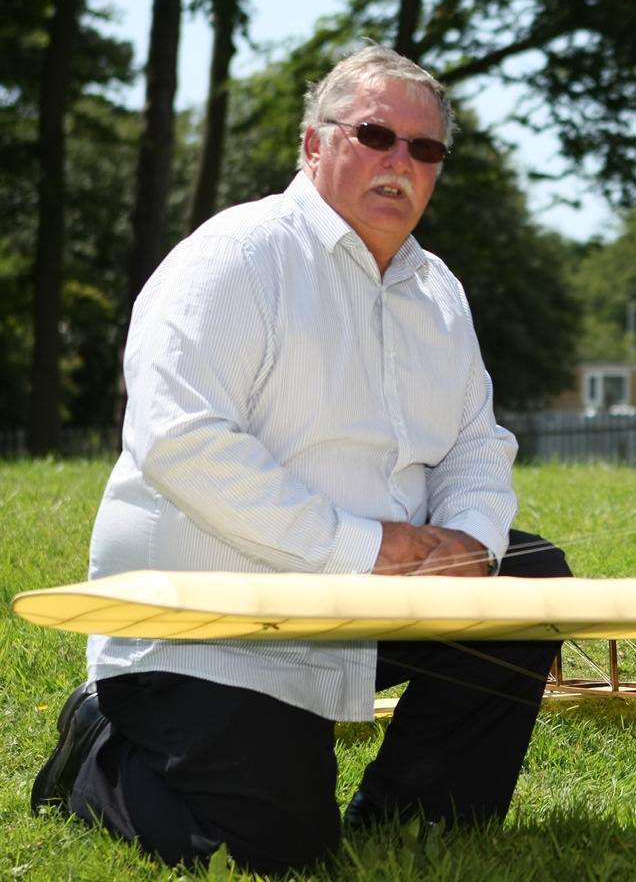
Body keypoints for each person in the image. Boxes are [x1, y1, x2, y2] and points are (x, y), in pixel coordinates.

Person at [30, 46, 569, 875]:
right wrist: (369, 547)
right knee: (272, 849)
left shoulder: (439, 292)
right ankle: (97, 748)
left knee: (527, 578)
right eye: (376, 134)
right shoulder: (236, 257)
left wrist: (469, 542)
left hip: (365, 601)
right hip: (211, 620)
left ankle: (416, 815)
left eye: (424, 150)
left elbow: (477, 443)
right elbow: (182, 443)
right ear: (314, 145)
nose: (401, 162)